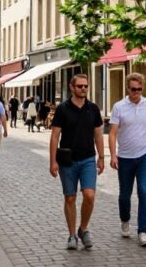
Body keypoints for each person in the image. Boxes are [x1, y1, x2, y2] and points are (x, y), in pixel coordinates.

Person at [108, 73, 146, 248]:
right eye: (133, 89)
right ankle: (125, 220)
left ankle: (143, 231)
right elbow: (112, 133)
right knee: (125, 195)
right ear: (127, 88)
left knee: (144, 190)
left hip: (145, 156)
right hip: (125, 157)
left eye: (139, 89)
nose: (137, 93)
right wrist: (112, 155)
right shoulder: (119, 107)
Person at [49, 74, 104, 250]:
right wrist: (53, 161)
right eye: (80, 86)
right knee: (70, 197)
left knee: (89, 195)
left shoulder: (93, 109)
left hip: (88, 158)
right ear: (72, 88)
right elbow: (55, 136)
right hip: (67, 160)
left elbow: (98, 134)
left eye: (86, 86)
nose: (83, 89)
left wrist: (101, 157)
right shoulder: (63, 109)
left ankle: (83, 229)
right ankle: (72, 235)